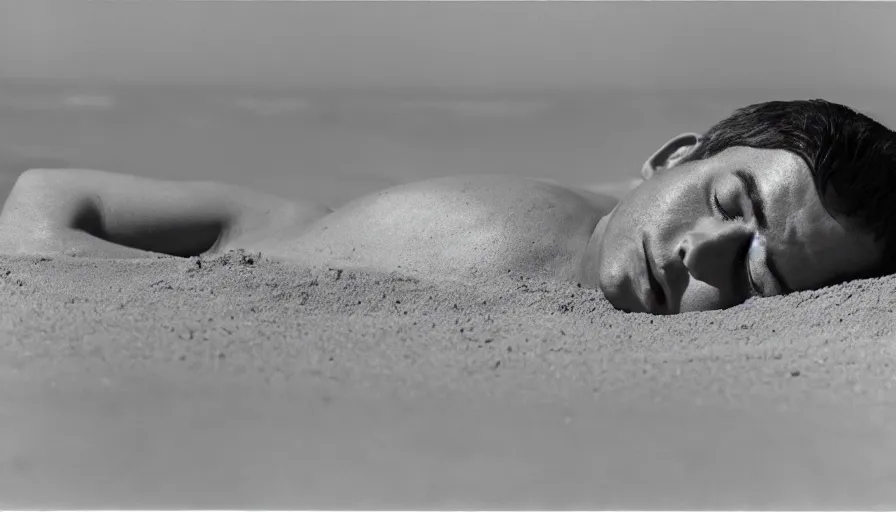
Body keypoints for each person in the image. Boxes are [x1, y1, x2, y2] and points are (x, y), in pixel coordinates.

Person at [0, 99, 893, 314]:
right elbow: (44, 200)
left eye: (756, 275)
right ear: (671, 157)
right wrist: (194, 298)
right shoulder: (476, 222)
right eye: (725, 201)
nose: (703, 257)